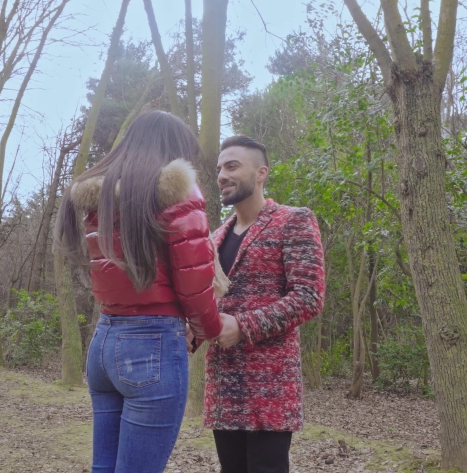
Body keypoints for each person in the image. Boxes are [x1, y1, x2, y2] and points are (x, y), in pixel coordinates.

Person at [54, 111, 227, 473]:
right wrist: (209, 329)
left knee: (105, 467)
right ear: (175, 149)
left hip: (104, 341)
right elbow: (194, 283)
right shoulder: (176, 191)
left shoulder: (98, 201)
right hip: (152, 345)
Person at [193, 135, 326, 473]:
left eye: (232, 166)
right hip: (224, 383)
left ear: (261, 172)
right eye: (219, 168)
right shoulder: (214, 238)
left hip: (270, 386)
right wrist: (190, 332)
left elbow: (309, 297)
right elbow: (206, 302)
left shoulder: (293, 220)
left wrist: (243, 326)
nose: (222, 174)